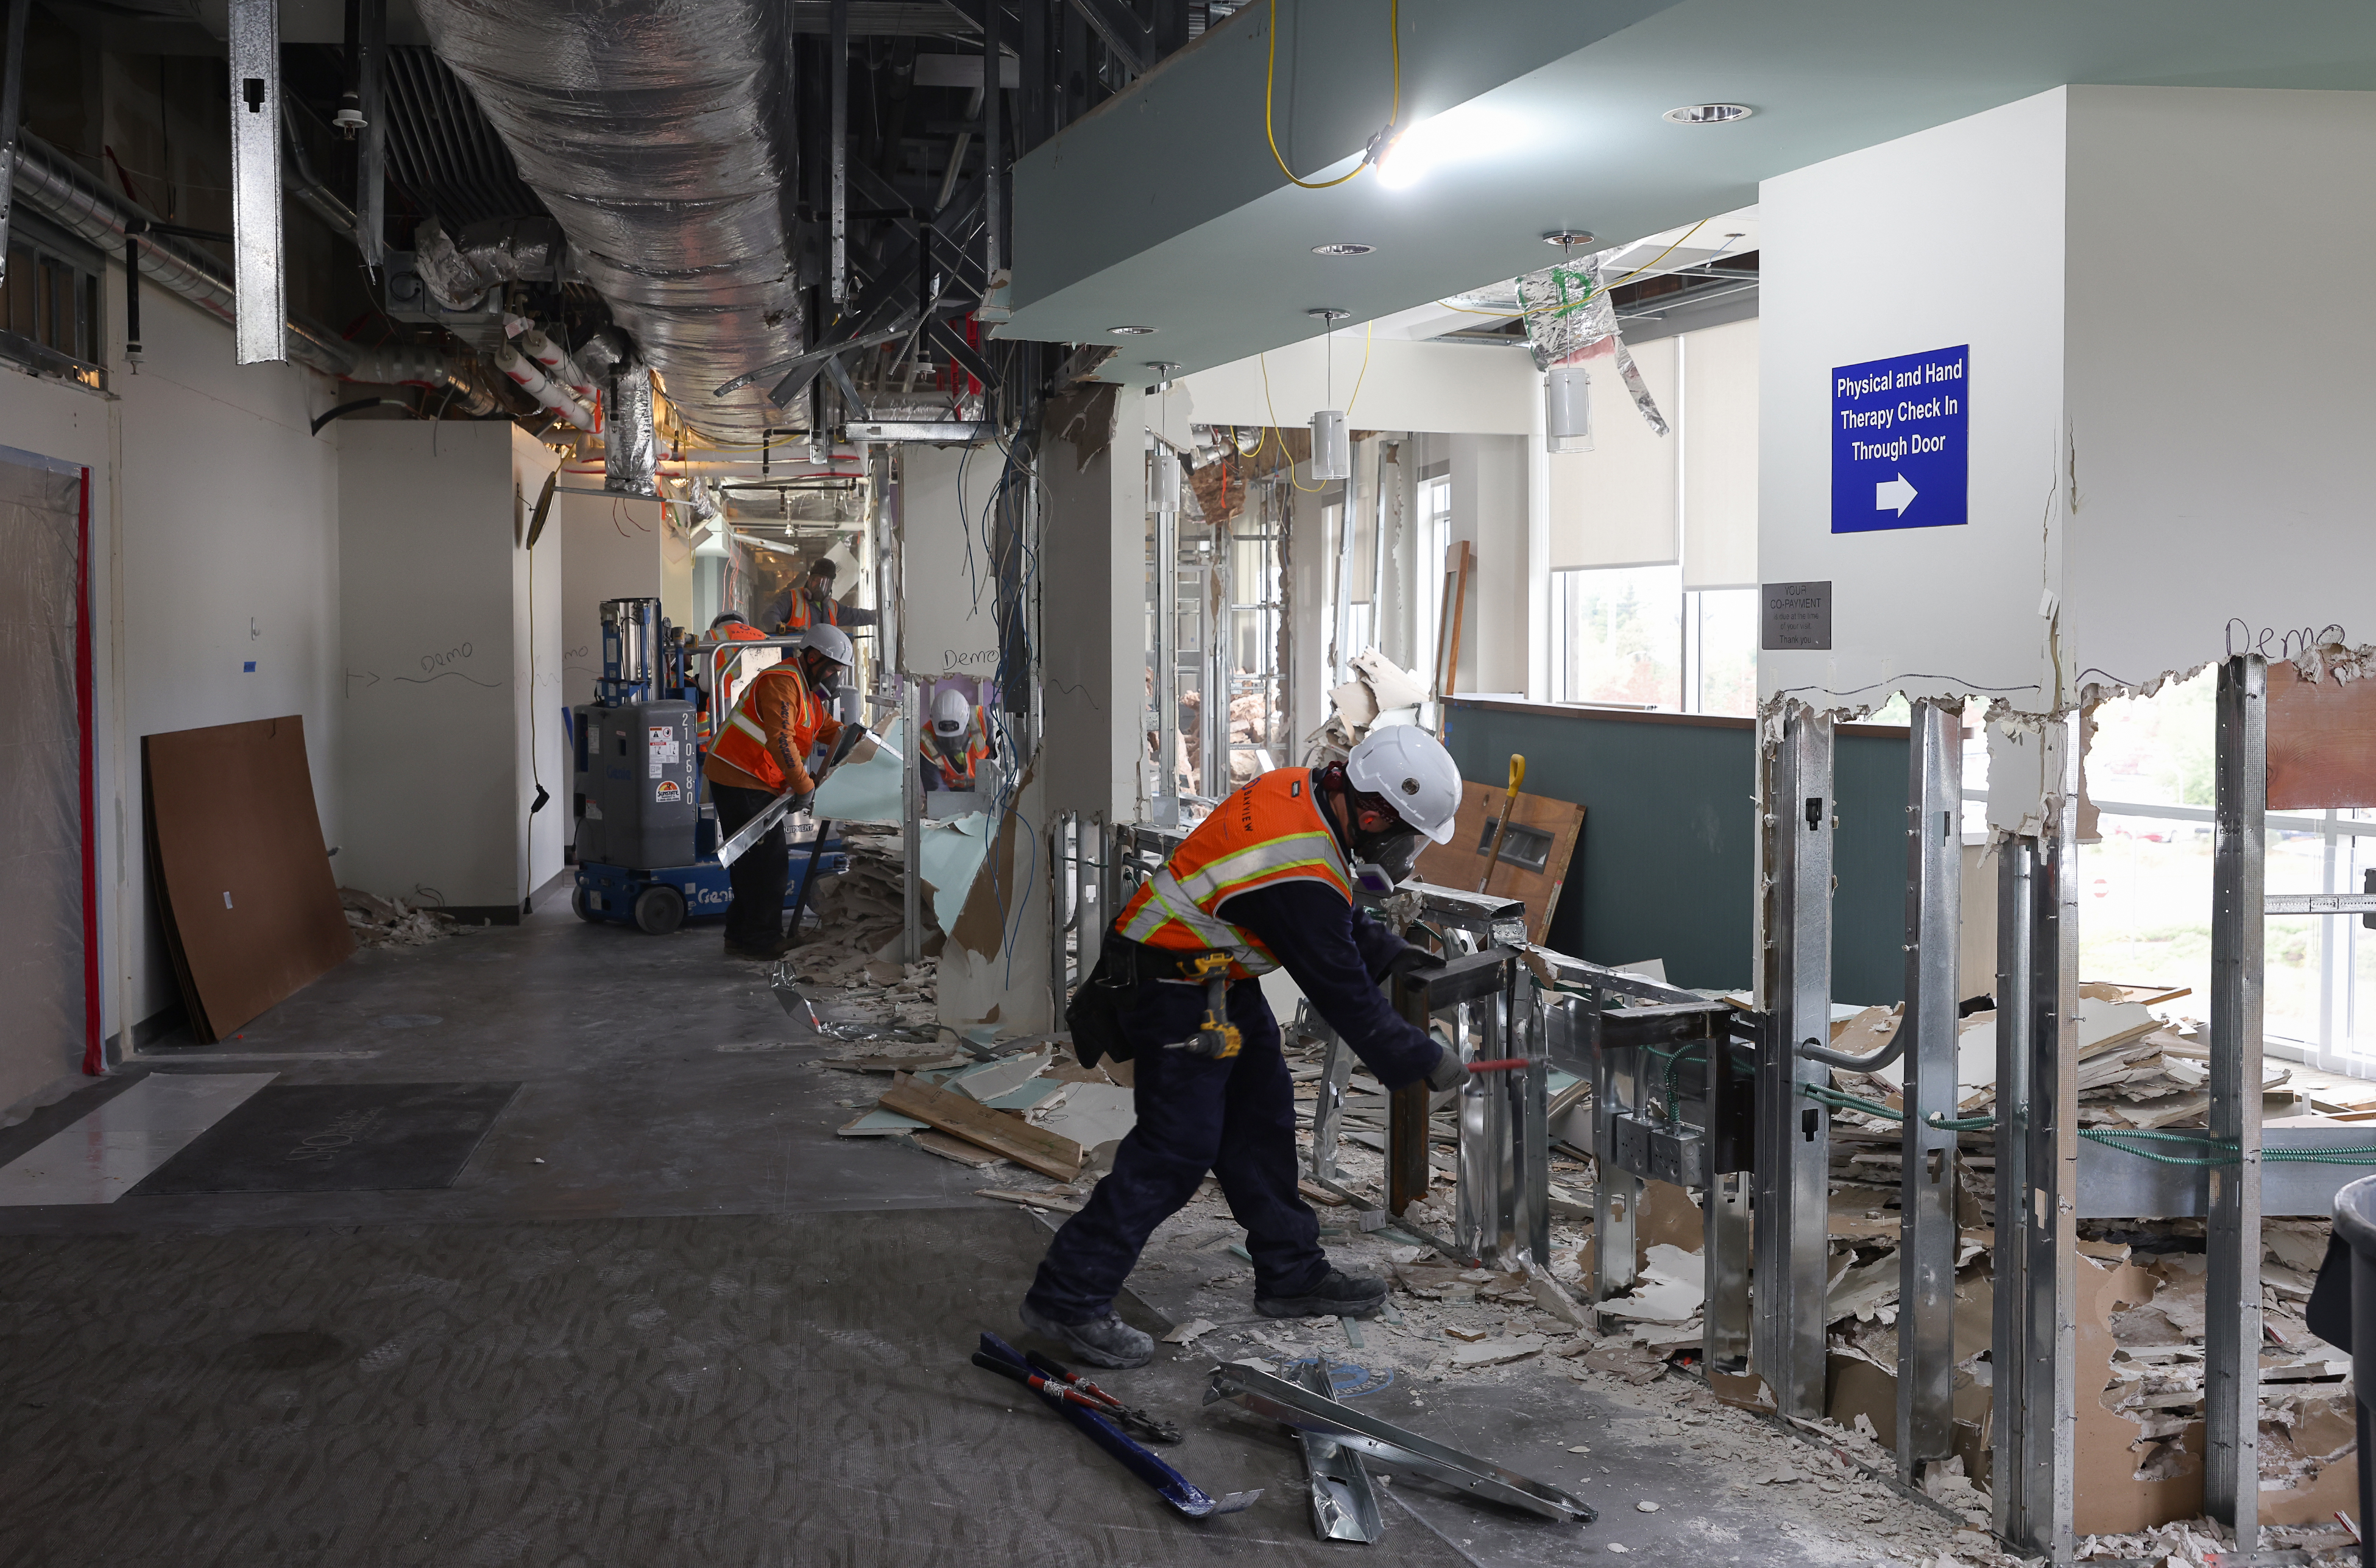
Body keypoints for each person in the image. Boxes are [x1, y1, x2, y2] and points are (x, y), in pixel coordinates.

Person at [1019, 725, 1473, 1368]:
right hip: (1170, 983)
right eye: (1406, 838)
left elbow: (1331, 917)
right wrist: (1425, 1059)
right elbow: (1340, 987)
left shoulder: (1305, 794)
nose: (1407, 853)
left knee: (1261, 1119)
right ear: (1372, 815)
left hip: (1217, 975)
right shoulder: (1301, 868)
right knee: (1176, 1150)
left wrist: (1402, 959)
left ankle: (1291, 1272)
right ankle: (1068, 1295)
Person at [701, 623, 851, 960]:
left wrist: (857, 737)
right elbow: (781, 739)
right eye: (833, 670)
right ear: (813, 658)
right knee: (769, 865)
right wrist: (805, 786)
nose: (835, 679)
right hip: (740, 775)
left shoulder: (809, 694)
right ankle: (763, 941)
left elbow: (824, 729)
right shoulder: (783, 683)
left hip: (754, 777)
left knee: (749, 861)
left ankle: (739, 936)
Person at [763, 556, 879, 638]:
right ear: (809, 579)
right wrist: (780, 628)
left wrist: (878, 616)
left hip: (821, 663)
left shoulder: (833, 608)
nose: (820, 587)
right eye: (816, 581)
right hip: (795, 658)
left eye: (825, 583)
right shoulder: (792, 598)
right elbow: (769, 616)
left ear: (831, 585)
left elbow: (857, 616)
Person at [919, 686, 991, 793]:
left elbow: (998, 761)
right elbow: (936, 791)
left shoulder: (981, 720)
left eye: (957, 737)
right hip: (952, 791)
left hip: (986, 787)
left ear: (967, 723)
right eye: (944, 738)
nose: (951, 744)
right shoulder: (925, 741)